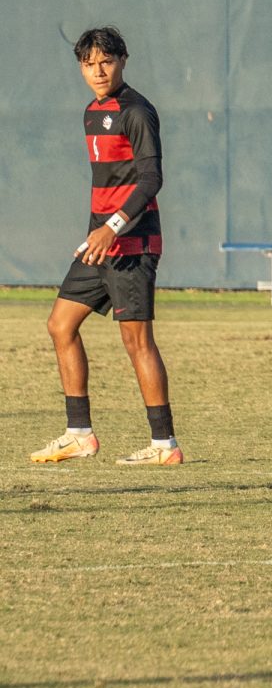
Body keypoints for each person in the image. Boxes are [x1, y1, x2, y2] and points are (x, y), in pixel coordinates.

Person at [31, 27, 183, 466]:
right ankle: (79, 434)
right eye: (88, 63)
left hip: (130, 242)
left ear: (123, 60)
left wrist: (113, 227)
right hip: (99, 243)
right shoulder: (91, 111)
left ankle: (164, 446)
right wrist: (99, 231)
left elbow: (151, 179)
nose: (97, 71)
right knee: (60, 325)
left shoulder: (137, 111)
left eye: (106, 61)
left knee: (137, 342)